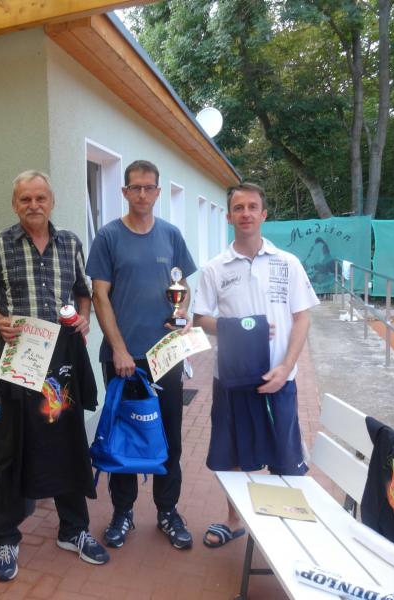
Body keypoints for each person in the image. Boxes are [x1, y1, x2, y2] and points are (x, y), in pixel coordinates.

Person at [0, 170, 109, 582]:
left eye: (40, 198)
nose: (34, 205)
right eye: (25, 199)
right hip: (21, 361)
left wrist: (84, 317)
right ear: (15, 204)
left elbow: (83, 290)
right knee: (13, 448)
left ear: (52, 201)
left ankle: (73, 530)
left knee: (68, 442)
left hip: (62, 361)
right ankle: (6, 538)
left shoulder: (71, 243)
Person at [192, 182, 319, 547]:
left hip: (278, 377)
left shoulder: (287, 263)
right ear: (229, 216)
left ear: (263, 214)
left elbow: (302, 317)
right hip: (231, 378)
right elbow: (200, 318)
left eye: (252, 207)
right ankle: (234, 520)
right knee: (232, 454)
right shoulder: (215, 268)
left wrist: (286, 367)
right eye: (238, 208)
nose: (245, 213)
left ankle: (286, 529)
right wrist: (244, 327)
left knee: (285, 456)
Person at [86, 159, 196, 550]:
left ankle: (167, 510)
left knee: (169, 436)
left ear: (158, 191)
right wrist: (119, 349)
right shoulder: (109, 236)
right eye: (136, 187)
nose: (143, 194)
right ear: (125, 191)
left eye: (149, 187)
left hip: (166, 356)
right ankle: (123, 512)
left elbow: (182, 289)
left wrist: (182, 314)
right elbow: (99, 296)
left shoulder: (171, 235)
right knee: (125, 437)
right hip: (122, 360)